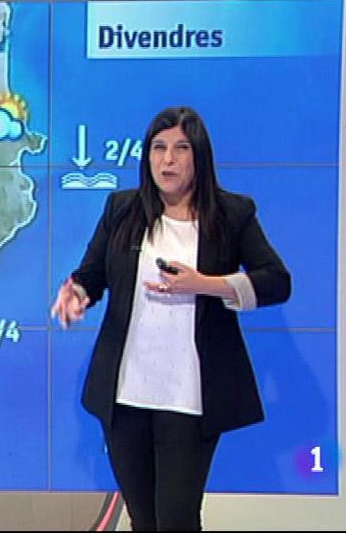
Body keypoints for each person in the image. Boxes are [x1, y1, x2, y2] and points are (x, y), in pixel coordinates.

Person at [51, 106, 291, 531]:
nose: (168, 159)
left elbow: (276, 282)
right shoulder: (122, 209)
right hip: (126, 394)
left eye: (181, 149)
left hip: (190, 397)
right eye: (158, 148)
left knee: (177, 519)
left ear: (199, 156)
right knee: (144, 520)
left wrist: (206, 284)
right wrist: (77, 295)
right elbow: (92, 274)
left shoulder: (232, 215)